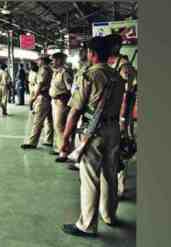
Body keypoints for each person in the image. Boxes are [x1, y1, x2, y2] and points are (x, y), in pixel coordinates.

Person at [60, 36, 124, 237]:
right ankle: (109, 215)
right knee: (110, 175)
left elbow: (75, 111)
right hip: (114, 130)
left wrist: (65, 138)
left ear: (93, 54)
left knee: (90, 178)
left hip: (93, 133)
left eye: (88, 52)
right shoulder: (118, 77)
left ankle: (87, 225)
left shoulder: (87, 76)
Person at [105, 34, 138, 199]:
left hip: (120, 115)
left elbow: (127, 95)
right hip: (108, 115)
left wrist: (123, 119)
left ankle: (120, 187)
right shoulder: (108, 64)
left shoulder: (124, 67)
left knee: (120, 150)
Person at [21, 56, 54, 149]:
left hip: (43, 97)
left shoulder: (43, 69)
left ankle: (32, 142)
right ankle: (49, 140)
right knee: (49, 120)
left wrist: (33, 98)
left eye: (38, 60)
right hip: (49, 96)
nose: (37, 62)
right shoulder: (50, 69)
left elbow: (40, 84)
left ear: (42, 61)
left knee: (38, 120)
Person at [49, 52, 73, 159]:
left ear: (59, 60)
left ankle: (64, 152)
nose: (52, 62)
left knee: (61, 126)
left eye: (54, 60)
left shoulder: (65, 72)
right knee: (57, 126)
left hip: (61, 102)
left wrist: (65, 101)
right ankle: (59, 148)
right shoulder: (56, 72)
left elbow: (70, 89)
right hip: (54, 102)